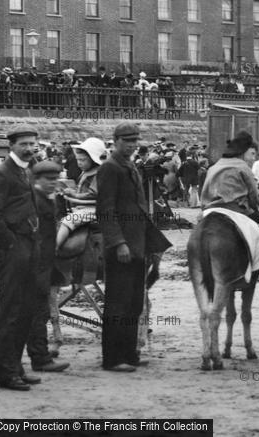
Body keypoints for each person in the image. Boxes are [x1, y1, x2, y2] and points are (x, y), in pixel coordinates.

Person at [96, 122, 172, 372]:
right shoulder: (109, 168)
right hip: (122, 247)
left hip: (137, 244)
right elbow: (105, 211)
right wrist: (118, 243)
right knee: (117, 303)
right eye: (127, 140)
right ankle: (113, 358)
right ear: (115, 140)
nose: (132, 144)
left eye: (135, 140)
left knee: (133, 303)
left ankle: (129, 354)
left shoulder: (130, 165)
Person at [0, 125, 43, 390]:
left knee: (26, 311)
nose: (29, 148)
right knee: (10, 312)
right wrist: (10, 244)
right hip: (13, 250)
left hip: (28, 246)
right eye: (23, 144)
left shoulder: (26, 170)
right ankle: (5, 374)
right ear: (11, 146)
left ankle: (16, 367)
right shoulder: (2, 173)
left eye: (33, 144)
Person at [27, 161, 70, 373]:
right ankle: (40, 358)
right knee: (36, 311)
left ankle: (39, 354)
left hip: (43, 263)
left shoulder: (45, 199)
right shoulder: (34, 201)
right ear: (37, 180)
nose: (53, 183)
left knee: (36, 310)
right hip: (36, 264)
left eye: (56, 179)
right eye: (49, 180)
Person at [55, 138, 106, 251]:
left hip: (93, 209)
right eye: (78, 160)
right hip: (84, 207)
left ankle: (55, 248)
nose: (79, 163)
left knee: (67, 222)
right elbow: (81, 189)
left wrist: (74, 196)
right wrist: (70, 192)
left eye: (83, 160)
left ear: (93, 160)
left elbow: (92, 194)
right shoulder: (86, 172)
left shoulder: (98, 174)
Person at [200, 130, 259, 222]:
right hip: (236, 211)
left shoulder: (213, 168)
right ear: (243, 152)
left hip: (209, 210)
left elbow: (204, 193)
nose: (253, 159)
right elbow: (254, 197)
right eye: (252, 154)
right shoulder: (243, 167)